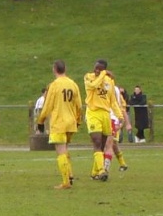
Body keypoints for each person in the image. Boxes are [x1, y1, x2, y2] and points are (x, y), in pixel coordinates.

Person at [36, 60, 82, 189]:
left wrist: (40, 120)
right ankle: (70, 174)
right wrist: (78, 120)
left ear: (54, 69)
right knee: (65, 148)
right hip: (71, 122)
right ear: (65, 69)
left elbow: (48, 105)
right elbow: (78, 105)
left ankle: (66, 182)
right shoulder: (73, 84)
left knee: (60, 151)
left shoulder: (54, 85)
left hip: (59, 122)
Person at [83, 60, 123, 181]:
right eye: (95, 68)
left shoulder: (109, 81)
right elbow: (94, 85)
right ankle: (102, 171)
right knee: (96, 141)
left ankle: (94, 172)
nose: (96, 71)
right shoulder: (88, 77)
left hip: (105, 114)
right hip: (93, 112)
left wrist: (120, 116)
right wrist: (103, 74)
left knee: (103, 145)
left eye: (99, 69)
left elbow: (112, 101)